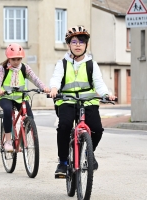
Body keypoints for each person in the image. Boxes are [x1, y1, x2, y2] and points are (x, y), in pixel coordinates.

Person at [49, 26, 116, 176]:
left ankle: (88, 153)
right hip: (67, 100)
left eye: (81, 41)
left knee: (97, 130)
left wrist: (106, 94)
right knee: (64, 126)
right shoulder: (63, 64)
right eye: (74, 42)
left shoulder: (92, 64)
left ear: (86, 45)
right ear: (69, 45)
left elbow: (99, 83)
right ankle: (63, 162)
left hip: (88, 101)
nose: (78, 45)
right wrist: (54, 88)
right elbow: (56, 78)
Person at [0, 43, 50, 152]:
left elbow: (35, 79)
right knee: (7, 110)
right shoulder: (3, 68)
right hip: (6, 97)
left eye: (19, 59)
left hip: (20, 97)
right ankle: (8, 141)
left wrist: (44, 87)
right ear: (8, 58)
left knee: (30, 118)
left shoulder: (24, 68)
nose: (16, 62)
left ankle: (20, 141)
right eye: (13, 59)